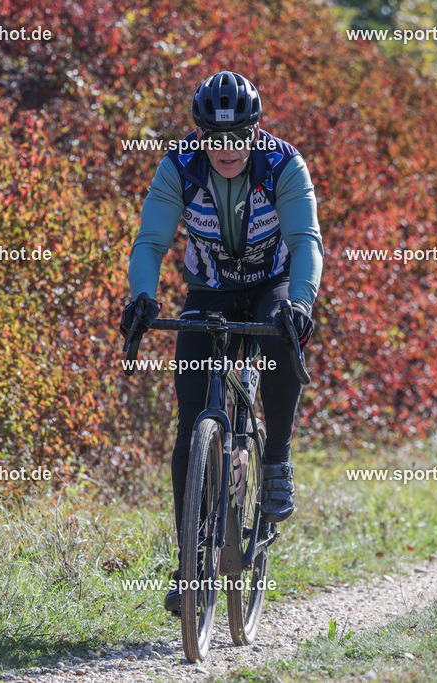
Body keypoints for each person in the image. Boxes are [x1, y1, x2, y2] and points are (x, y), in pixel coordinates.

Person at [119, 71, 323, 613]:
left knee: (280, 333)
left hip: (272, 283)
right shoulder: (180, 165)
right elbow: (150, 242)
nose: (227, 149)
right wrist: (142, 297)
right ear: (200, 134)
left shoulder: (284, 165)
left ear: (256, 132)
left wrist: (301, 303)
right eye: (215, 137)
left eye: (238, 137)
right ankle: (190, 567)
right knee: (191, 425)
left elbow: (306, 242)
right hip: (209, 288)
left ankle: (275, 460)